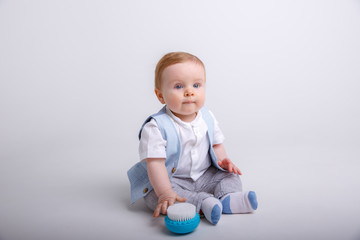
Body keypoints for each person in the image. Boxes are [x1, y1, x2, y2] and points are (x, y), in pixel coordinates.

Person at [127, 52, 258, 225]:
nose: (189, 92)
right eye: (179, 86)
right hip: (173, 180)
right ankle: (203, 203)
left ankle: (228, 199)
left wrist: (222, 161)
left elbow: (217, 144)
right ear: (160, 95)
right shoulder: (156, 127)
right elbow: (155, 164)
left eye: (196, 85)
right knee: (155, 195)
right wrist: (165, 191)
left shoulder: (207, 116)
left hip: (205, 174)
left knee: (230, 176)